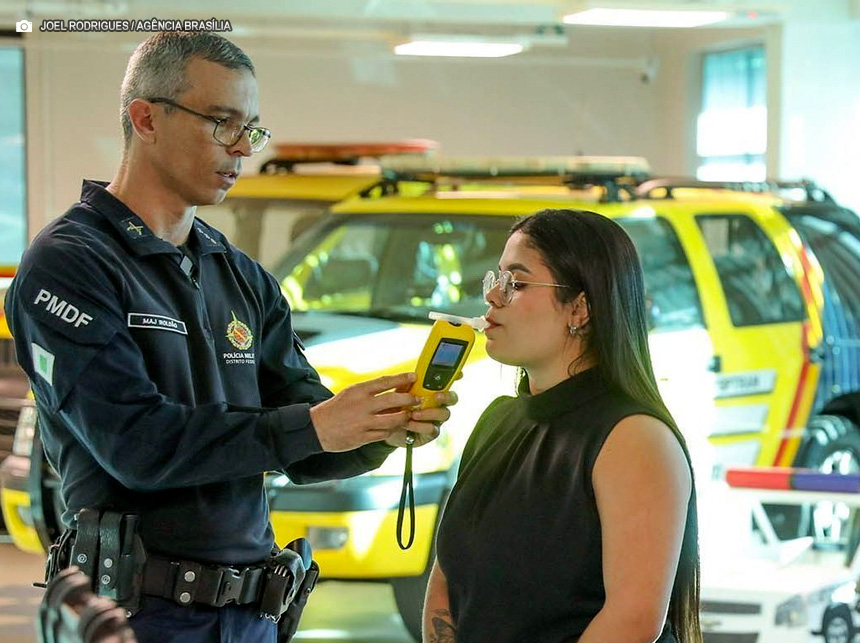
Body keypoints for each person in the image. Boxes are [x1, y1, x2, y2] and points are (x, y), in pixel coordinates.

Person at [5, 31, 455, 643]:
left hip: (250, 615)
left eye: (252, 128)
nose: (243, 148)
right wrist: (319, 425)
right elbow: (138, 445)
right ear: (146, 119)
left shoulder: (242, 278)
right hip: (137, 617)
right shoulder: (70, 266)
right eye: (222, 122)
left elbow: (304, 437)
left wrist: (378, 427)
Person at [423, 209, 701, 643]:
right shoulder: (498, 419)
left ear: (581, 307)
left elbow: (632, 620)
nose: (494, 297)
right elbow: (448, 578)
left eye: (516, 282)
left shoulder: (635, 437)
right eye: (495, 279)